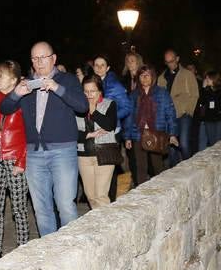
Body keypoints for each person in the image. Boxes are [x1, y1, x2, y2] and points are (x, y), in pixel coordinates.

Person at [0, 41, 88, 237]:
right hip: (34, 154)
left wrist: (57, 88)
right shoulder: (26, 83)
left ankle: (72, 248)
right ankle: (49, 252)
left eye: (43, 57)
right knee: (41, 208)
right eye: (34, 58)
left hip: (63, 152)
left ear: (54, 58)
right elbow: (4, 109)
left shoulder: (67, 80)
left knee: (65, 204)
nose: (39, 62)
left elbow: (83, 106)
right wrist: (16, 94)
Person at [0, 60, 29, 266]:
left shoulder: (24, 99)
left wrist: (22, 159)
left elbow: (30, 133)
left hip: (15, 159)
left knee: (19, 206)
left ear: (14, 78)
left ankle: (23, 245)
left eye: (0, 76)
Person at [124, 65, 179, 185]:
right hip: (138, 133)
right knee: (140, 166)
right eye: (141, 75)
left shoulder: (162, 93)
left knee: (157, 165)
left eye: (147, 75)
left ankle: (161, 189)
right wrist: (127, 137)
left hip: (156, 132)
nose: (144, 78)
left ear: (153, 76)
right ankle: (142, 192)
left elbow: (170, 113)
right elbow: (129, 117)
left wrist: (172, 134)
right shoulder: (134, 95)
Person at [91, 55, 131, 201]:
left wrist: (111, 118)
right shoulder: (90, 84)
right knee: (96, 164)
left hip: (111, 131)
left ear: (108, 68)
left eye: (103, 65)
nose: (99, 68)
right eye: (96, 65)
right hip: (94, 129)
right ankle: (98, 199)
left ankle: (111, 200)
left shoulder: (115, 85)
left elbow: (127, 107)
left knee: (109, 165)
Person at [76, 74, 118, 209]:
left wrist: (93, 110)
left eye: (92, 91)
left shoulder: (109, 104)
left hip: (104, 152)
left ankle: (108, 228)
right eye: (86, 91)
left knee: (101, 195)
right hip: (83, 155)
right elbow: (72, 132)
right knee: (91, 196)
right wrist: (89, 134)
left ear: (100, 91)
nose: (89, 95)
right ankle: (99, 226)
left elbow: (109, 125)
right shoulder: (76, 107)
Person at [157, 49, 198, 166]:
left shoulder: (187, 74)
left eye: (172, 61)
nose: (170, 64)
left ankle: (189, 167)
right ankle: (175, 171)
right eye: (167, 62)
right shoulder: (162, 78)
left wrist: (188, 111)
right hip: (169, 117)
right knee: (171, 147)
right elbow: (160, 98)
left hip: (183, 114)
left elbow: (194, 94)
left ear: (177, 59)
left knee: (184, 143)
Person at [198, 71, 221, 150]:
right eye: (206, 78)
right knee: (212, 143)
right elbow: (201, 102)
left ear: (214, 79)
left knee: (218, 142)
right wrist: (203, 88)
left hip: (220, 119)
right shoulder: (205, 90)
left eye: (208, 78)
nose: (206, 79)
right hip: (209, 119)